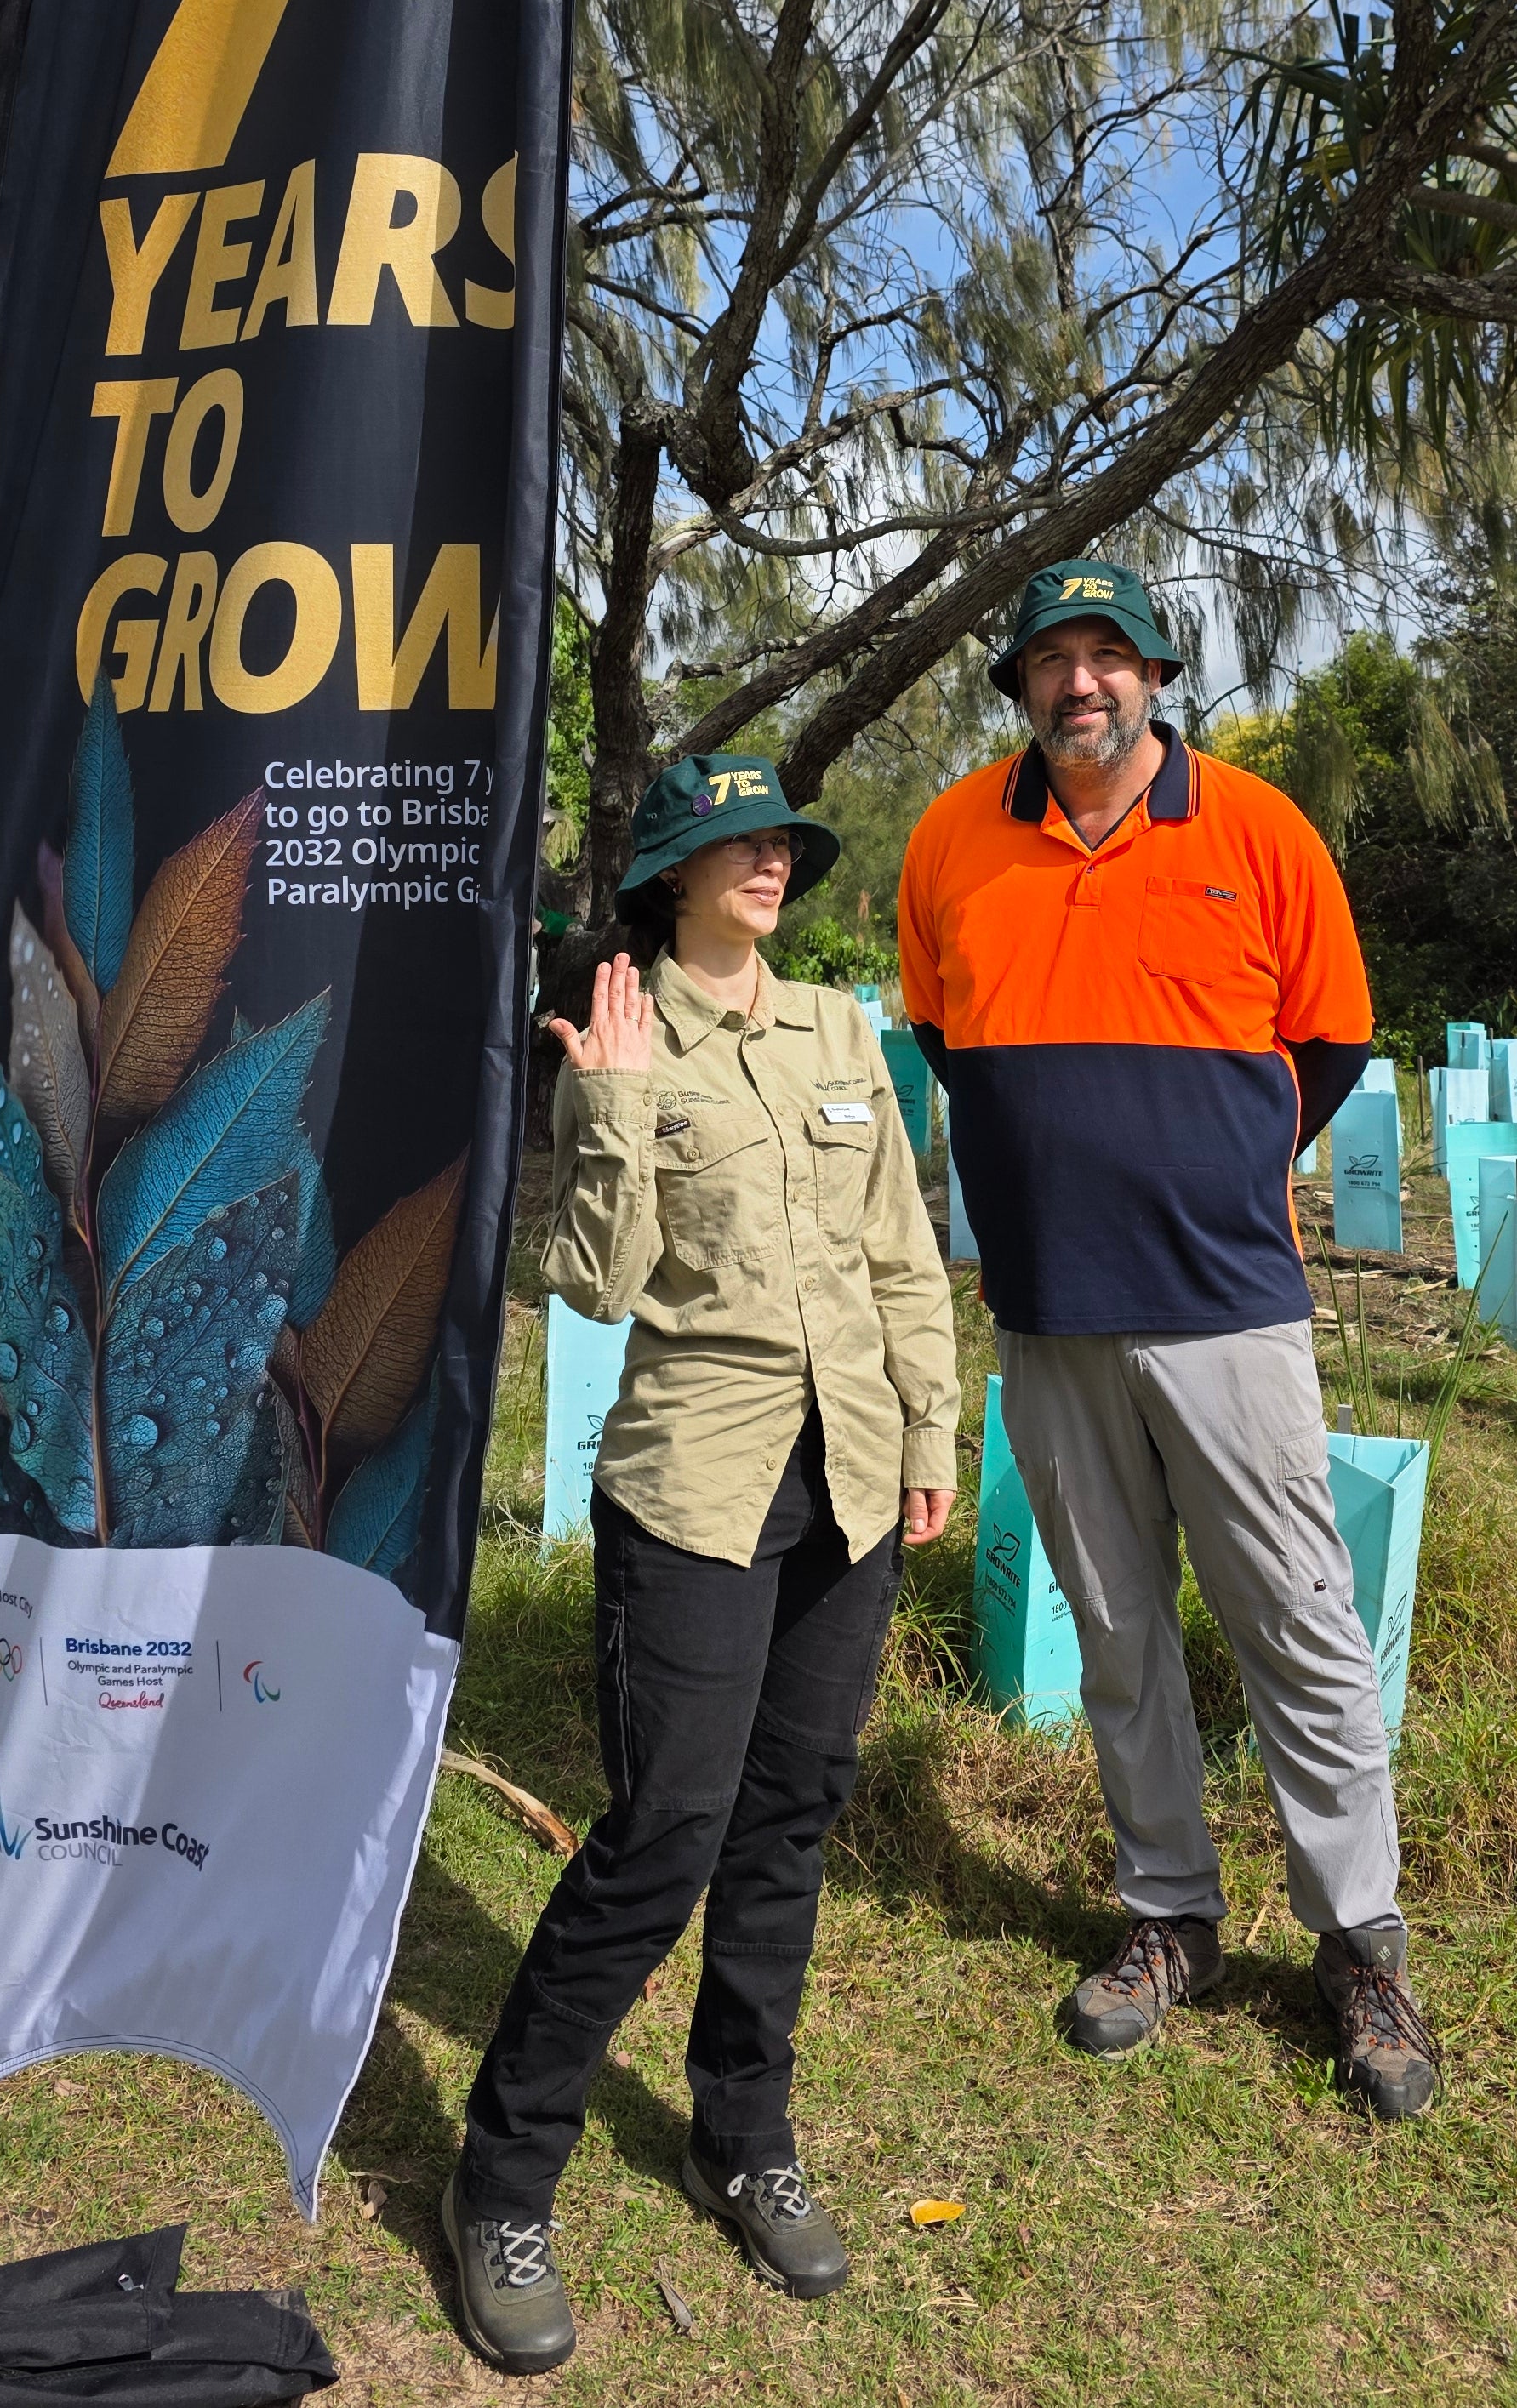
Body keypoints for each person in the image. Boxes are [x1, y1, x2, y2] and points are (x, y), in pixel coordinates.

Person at [898, 559, 1439, 2119]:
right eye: (1052, 661)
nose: (1082, 684)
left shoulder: (1261, 831)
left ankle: (1358, 1945)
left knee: (1300, 1625)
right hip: (1049, 1314)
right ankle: (1168, 1916)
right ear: (1018, 688)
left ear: (1156, 675)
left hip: (1226, 1310)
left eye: (1109, 657)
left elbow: (1328, 1041)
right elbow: (948, 1041)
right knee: (1116, 1635)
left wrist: (1205, 1167)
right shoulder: (948, 839)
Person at [442, 754, 959, 2375]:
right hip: (697, 1486)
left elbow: (902, 1252)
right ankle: (503, 2178)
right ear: (672, 875)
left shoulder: (838, 1031)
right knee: (664, 1833)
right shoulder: (623, 1035)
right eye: (735, 845)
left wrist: (934, 1435)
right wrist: (598, 1106)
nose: (769, 866)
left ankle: (741, 2130)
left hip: (853, 1478)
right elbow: (592, 1289)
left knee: (793, 1811)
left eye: (781, 845)